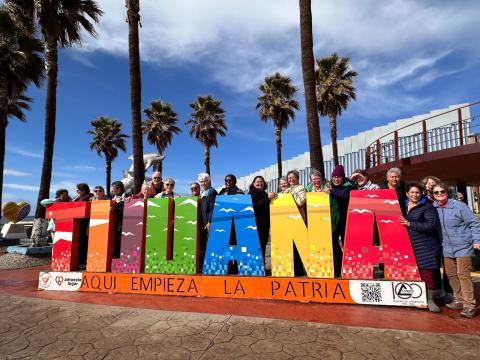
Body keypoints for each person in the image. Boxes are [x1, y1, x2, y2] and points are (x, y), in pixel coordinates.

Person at [432, 182, 480, 318]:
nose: (440, 194)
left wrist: (477, 240)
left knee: (463, 274)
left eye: (442, 191)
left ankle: (469, 305)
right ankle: (459, 299)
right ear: (433, 195)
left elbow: (474, 223)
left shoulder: (459, 206)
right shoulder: (433, 208)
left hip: (463, 245)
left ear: (448, 193)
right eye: (436, 192)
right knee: (451, 275)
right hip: (446, 247)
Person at [399, 183, 442, 313]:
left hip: (425, 245)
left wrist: (410, 223)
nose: (414, 195)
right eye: (412, 192)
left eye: (417, 192)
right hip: (408, 245)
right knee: (412, 272)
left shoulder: (427, 207)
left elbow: (431, 225)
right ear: (407, 193)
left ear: (421, 193)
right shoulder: (402, 206)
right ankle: (414, 297)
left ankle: (430, 300)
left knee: (426, 272)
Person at [329, 165, 356, 277]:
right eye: (334, 177)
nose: (336, 179)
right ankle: (339, 267)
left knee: (348, 245)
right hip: (334, 221)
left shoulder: (349, 185)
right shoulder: (329, 186)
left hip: (347, 220)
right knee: (334, 245)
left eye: (339, 177)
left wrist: (331, 191)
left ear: (343, 178)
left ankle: (351, 268)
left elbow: (345, 195)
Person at [249, 176, 276, 255]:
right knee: (258, 246)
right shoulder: (252, 192)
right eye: (257, 181)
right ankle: (260, 265)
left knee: (262, 246)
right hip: (257, 224)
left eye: (262, 182)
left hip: (264, 225)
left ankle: (262, 265)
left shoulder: (264, 193)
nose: (259, 183)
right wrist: (268, 199)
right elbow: (254, 205)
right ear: (253, 184)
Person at [198, 173, 217, 266]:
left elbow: (213, 208)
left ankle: (211, 265)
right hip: (203, 223)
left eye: (205, 181)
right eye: (201, 181)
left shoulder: (212, 192)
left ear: (209, 181)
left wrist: (210, 222)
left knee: (210, 245)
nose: (203, 183)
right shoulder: (203, 193)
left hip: (208, 223)